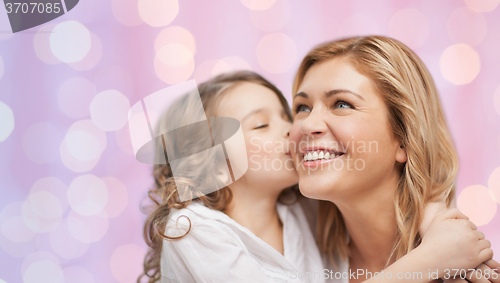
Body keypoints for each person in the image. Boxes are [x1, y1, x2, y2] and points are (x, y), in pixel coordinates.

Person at [138, 71, 495, 283]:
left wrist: (437, 224)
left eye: (288, 116)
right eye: (262, 125)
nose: (296, 130)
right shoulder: (192, 228)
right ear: (212, 164)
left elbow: (398, 187)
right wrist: (431, 259)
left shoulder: (302, 210)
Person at [289, 35, 499, 283]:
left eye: (342, 104)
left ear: (404, 139)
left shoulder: (465, 273)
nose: (308, 124)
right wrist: (430, 259)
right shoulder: (294, 253)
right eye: (302, 108)